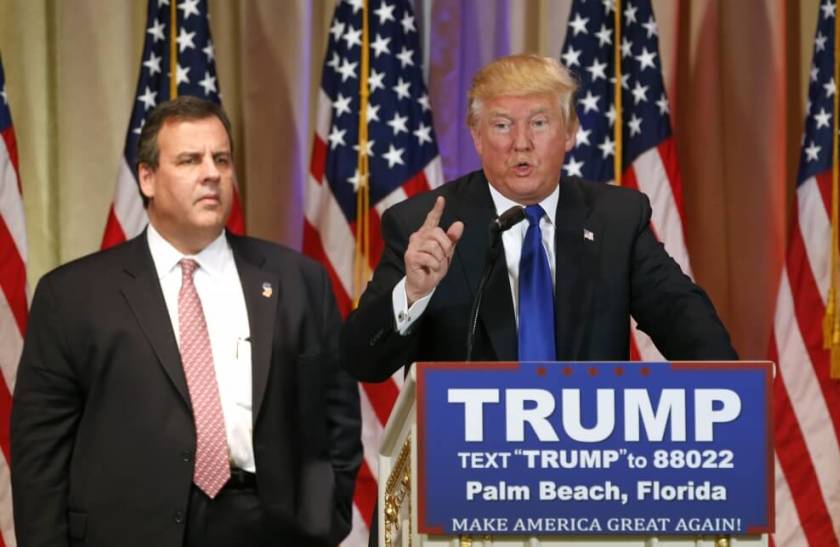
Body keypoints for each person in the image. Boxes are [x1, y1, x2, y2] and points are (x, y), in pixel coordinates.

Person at [11, 96, 362, 547]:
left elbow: (337, 418)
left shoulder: (298, 281)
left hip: (268, 529)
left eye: (221, 159)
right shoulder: (73, 296)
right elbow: (39, 454)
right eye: (189, 160)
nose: (212, 173)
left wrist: (322, 521)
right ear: (148, 177)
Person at [341, 52, 736, 380]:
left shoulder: (616, 218)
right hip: (471, 461)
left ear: (570, 133)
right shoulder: (423, 224)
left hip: (588, 455)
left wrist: (736, 388)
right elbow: (362, 362)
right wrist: (413, 293)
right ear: (477, 137)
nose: (521, 143)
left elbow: (682, 319)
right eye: (501, 126)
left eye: (539, 123)